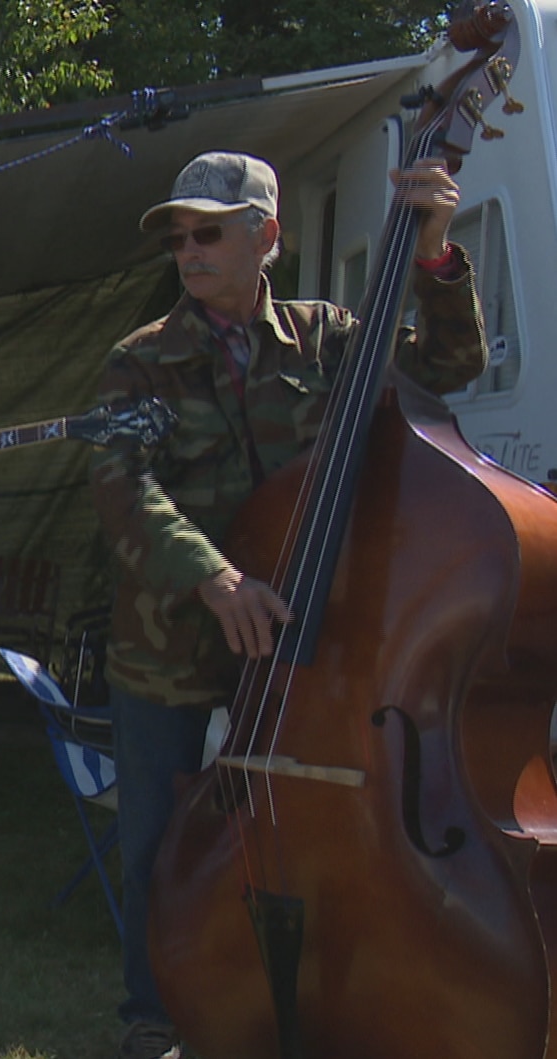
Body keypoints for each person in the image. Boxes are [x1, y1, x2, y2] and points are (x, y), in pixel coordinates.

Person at [87, 150, 487, 1059]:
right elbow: (119, 485)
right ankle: (153, 1014)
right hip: (171, 642)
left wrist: (432, 255)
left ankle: (314, 994)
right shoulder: (138, 359)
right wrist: (212, 576)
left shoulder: (330, 337)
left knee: (320, 825)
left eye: (206, 233)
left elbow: (447, 368)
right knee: (158, 841)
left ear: (264, 234)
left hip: (312, 643)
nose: (188, 251)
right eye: (177, 238)